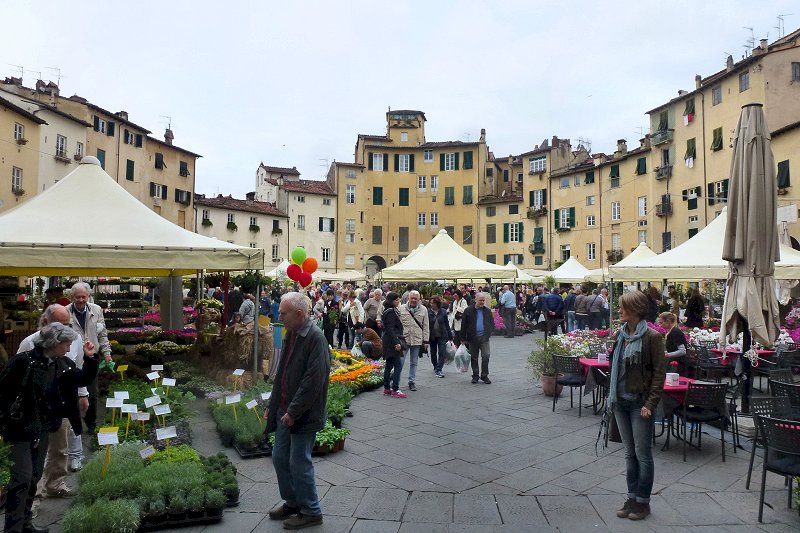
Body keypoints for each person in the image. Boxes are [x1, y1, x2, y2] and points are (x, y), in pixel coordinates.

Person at [1, 322, 99, 533]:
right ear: (54, 343)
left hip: (42, 428)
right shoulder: (23, 362)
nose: (68, 348)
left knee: (34, 476)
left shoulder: (59, 363)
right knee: (22, 478)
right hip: (19, 429)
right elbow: (4, 392)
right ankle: (13, 528)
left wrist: (90, 358)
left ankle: (25, 524)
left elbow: (82, 378)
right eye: (66, 344)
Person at [266, 292, 329, 530]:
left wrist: (292, 411)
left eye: (283, 313)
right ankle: (292, 503)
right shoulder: (291, 332)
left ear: (299, 314)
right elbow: (281, 373)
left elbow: (313, 381)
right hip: (286, 410)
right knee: (280, 457)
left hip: (303, 413)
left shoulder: (315, 338)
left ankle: (311, 511)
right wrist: (273, 406)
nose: (278, 316)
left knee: (299, 462)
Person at [17, 306, 90, 504]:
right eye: (60, 324)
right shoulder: (29, 343)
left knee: (60, 446)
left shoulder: (75, 340)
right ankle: (35, 492)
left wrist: (83, 394)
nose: (65, 328)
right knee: (36, 449)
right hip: (37, 408)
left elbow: (79, 368)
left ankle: (55, 484)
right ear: (46, 322)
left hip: (63, 402)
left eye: (67, 324)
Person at [608, 291, 666, 522]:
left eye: (623, 307)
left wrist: (650, 404)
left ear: (635, 310)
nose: (619, 310)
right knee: (628, 454)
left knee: (643, 455)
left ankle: (643, 502)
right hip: (619, 402)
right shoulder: (621, 335)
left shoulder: (652, 337)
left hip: (639, 404)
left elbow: (659, 374)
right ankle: (631, 498)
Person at [66, 283, 112, 434]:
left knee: (91, 391)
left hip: (91, 357)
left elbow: (102, 334)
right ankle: (73, 422)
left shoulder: (96, 310)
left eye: (83, 297)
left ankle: (91, 423)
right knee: (72, 390)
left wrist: (106, 353)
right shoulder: (66, 312)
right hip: (72, 357)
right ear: (72, 297)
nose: (80, 300)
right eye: (77, 297)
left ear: (88, 296)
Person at [397, 291, 429, 391]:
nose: (414, 300)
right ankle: (396, 381)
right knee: (400, 361)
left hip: (417, 339)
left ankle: (411, 381)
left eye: (416, 298)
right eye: (412, 298)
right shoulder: (401, 308)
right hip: (404, 339)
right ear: (408, 298)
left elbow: (426, 326)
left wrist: (426, 341)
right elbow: (397, 325)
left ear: (419, 299)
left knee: (414, 362)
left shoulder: (424, 309)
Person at [461, 292, 495, 384]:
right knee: (474, 357)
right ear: (475, 300)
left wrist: (489, 332)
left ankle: (484, 375)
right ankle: (475, 375)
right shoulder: (468, 310)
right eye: (480, 300)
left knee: (486, 356)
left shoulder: (487, 311)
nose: (482, 302)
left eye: (483, 300)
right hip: (473, 338)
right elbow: (463, 324)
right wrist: (463, 338)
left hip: (484, 338)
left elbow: (491, 323)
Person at [380, 293, 407, 398]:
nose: (398, 301)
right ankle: (395, 389)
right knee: (398, 365)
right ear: (392, 301)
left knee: (389, 364)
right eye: (396, 300)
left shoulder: (386, 310)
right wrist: (396, 342)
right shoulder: (391, 312)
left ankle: (387, 388)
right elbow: (390, 328)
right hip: (392, 340)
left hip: (387, 339)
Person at [427, 296, 452, 378]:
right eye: (430, 303)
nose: (431, 304)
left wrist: (450, 335)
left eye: (433, 303)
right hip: (432, 335)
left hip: (442, 334)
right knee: (433, 352)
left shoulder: (443, 311)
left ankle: (439, 369)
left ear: (437, 303)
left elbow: (446, 324)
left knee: (442, 352)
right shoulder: (428, 312)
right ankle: (435, 365)